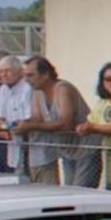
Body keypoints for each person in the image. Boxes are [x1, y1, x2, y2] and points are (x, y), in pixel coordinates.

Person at [16, 55, 90, 185]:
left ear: (45, 75)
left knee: (81, 190)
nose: (26, 80)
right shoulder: (37, 92)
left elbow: (66, 124)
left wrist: (31, 126)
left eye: (30, 75)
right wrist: (19, 124)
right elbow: (37, 118)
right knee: (69, 191)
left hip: (86, 148)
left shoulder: (62, 89)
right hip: (67, 151)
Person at [0, 53, 34, 174]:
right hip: (13, 146)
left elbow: (27, 120)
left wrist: (0, 127)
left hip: (31, 146)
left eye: (8, 71)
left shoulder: (27, 89)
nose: (3, 75)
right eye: (1, 71)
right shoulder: (3, 89)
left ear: (20, 72)